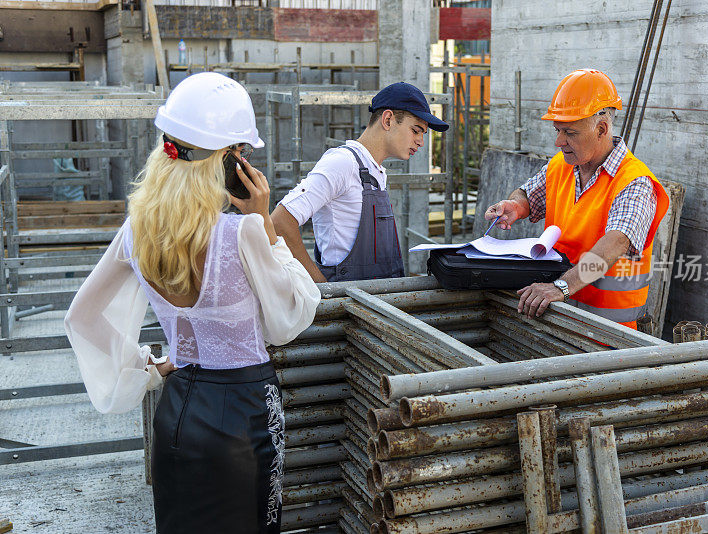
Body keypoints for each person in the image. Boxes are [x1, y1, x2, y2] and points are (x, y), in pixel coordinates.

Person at [64, 72, 320, 533]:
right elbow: (290, 317)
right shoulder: (241, 234)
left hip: (177, 407)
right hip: (244, 413)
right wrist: (265, 224)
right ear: (224, 161)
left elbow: (81, 317)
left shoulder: (136, 231)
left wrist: (147, 365)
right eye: (239, 152)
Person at [484, 69, 669, 328]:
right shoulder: (561, 165)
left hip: (611, 338)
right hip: (560, 320)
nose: (559, 141)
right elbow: (528, 195)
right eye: (557, 130)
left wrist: (561, 287)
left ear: (601, 129)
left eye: (570, 133)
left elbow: (615, 243)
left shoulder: (634, 182)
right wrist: (515, 206)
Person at [271, 81, 449, 282]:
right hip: (347, 303)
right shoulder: (342, 163)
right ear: (388, 120)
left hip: (375, 299)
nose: (421, 141)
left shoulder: (375, 172)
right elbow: (280, 222)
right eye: (416, 130)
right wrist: (321, 288)